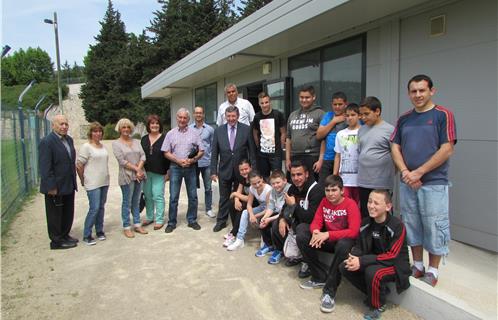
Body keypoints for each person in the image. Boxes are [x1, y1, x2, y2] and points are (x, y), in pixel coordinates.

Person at [391, 74, 457, 287]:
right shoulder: (404, 119)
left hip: (434, 182)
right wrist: (405, 172)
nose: (418, 95)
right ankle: (417, 264)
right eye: (413, 91)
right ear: (409, 93)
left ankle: (433, 270)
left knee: (434, 225)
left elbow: (447, 149)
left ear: (431, 91)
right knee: (412, 223)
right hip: (408, 181)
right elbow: (395, 147)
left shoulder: (443, 115)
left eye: (422, 90)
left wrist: (418, 172)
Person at [340, 190, 411, 320]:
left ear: (388, 207)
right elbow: (359, 247)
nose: (371, 206)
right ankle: (376, 292)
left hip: (395, 264)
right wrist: (354, 258)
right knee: (345, 266)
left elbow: (392, 255)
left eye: (376, 203)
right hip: (375, 260)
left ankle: (377, 306)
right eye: (369, 202)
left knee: (373, 272)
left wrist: (362, 261)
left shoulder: (397, 226)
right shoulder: (366, 222)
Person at [296, 175, 360, 313]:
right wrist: (316, 232)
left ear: (342, 190)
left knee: (343, 245)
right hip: (327, 240)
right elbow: (316, 221)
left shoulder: (351, 204)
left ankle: (329, 292)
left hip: (343, 242)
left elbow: (353, 231)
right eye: (327, 190)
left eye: (334, 190)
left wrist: (328, 234)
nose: (330, 194)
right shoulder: (324, 202)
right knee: (302, 231)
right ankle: (319, 276)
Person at [268, 161, 323, 268]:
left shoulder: (316, 190)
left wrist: (294, 205)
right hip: (297, 223)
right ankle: (295, 255)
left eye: (299, 174)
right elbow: (285, 207)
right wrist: (283, 219)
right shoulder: (293, 188)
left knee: (301, 229)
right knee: (277, 224)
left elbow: (311, 218)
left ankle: (308, 261)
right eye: (293, 175)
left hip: (311, 227)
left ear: (306, 174)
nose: (296, 178)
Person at [211, 106, 256, 232]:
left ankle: (237, 222)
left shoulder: (246, 130)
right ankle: (221, 221)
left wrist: (253, 170)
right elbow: (214, 152)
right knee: (224, 197)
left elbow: (252, 151)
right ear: (225, 116)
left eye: (233, 116)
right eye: (228, 116)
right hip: (224, 170)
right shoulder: (218, 131)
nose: (231, 119)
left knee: (239, 198)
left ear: (238, 116)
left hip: (241, 172)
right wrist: (213, 171)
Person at [39, 114, 78, 249]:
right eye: (61, 124)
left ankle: (65, 234)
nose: (64, 127)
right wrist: (51, 186)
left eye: (66, 124)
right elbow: (45, 166)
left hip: (68, 183)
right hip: (55, 186)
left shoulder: (69, 140)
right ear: (53, 125)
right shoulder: (47, 142)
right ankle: (56, 241)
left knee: (67, 211)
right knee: (55, 214)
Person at [162, 108, 204, 233]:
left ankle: (192, 220)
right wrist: (178, 160)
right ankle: (172, 222)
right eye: (180, 117)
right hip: (175, 167)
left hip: (190, 167)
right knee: (174, 196)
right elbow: (165, 152)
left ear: (188, 119)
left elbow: (201, 150)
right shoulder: (170, 133)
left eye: (185, 118)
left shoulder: (194, 133)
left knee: (193, 196)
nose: (182, 120)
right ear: (176, 118)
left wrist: (193, 160)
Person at [357, 97, 395, 218]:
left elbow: (397, 155)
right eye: (361, 114)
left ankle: (386, 237)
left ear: (377, 111)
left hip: (381, 183)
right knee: (366, 214)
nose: (363, 117)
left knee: (383, 215)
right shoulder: (361, 130)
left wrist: (390, 174)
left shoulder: (390, 130)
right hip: (363, 182)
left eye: (366, 114)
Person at [112, 118, 148, 238]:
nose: (126, 129)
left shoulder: (137, 141)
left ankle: (137, 224)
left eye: (128, 127)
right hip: (127, 176)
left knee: (136, 201)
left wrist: (139, 169)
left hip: (139, 176)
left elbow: (143, 156)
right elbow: (122, 160)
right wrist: (137, 169)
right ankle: (127, 226)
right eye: (123, 127)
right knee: (127, 202)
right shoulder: (116, 143)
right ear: (120, 129)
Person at [76, 122, 110, 245]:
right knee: (94, 208)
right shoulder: (86, 147)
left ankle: (99, 230)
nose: (98, 133)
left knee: (101, 207)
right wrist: (82, 179)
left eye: (100, 131)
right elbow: (79, 165)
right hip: (92, 182)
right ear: (91, 133)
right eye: (95, 131)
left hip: (104, 181)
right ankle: (87, 234)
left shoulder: (102, 146)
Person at [286, 85, 325, 182]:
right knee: (294, 185)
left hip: (312, 157)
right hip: (294, 157)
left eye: (307, 97)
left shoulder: (320, 113)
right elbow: (288, 138)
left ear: (313, 97)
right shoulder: (293, 115)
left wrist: (320, 160)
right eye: (301, 97)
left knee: (311, 186)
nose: (304, 100)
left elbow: (324, 139)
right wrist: (287, 159)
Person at [227, 171, 272, 251]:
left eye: (259, 182)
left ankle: (264, 238)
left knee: (263, 218)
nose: (257, 185)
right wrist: (251, 215)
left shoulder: (268, 189)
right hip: (262, 207)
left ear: (262, 179)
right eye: (254, 184)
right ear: (250, 183)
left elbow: (269, 209)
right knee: (245, 212)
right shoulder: (252, 188)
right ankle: (240, 239)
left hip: (271, 209)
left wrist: (255, 216)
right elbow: (249, 204)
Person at [141, 114, 170, 230]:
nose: (154, 125)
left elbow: (168, 156)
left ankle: (159, 219)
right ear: (148, 125)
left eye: (157, 123)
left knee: (158, 195)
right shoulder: (143, 139)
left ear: (160, 125)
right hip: (146, 172)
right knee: (148, 196)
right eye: (152, 123)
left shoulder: (165, 138)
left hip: (160, 172)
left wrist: (168, 172)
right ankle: (149, 217)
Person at [256, 169, 292, 257]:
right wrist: (265, 218)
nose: (275, 185)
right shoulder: (273, 191)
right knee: (262, 220)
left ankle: (279, 249)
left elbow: (285, 211)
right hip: (278, 213)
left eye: (278, 182)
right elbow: (271, 207)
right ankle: (269, 245)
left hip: (287, 215)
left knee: (276, 223)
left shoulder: (290, 189)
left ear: (285, 181)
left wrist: (269, 219)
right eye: (273, 183)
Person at [316, 92, 348, 186]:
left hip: (343, 159)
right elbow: (319, 135)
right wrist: (333, 121)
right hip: (327, 159)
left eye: (340, 104)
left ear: (346, 104)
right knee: (323, 188)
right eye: (335, 104)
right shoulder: (328, 116)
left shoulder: (350, 116)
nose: (337, 107)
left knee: (339, 188)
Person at [252, 92, 286, 178]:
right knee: (264, 177)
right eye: (262, 103)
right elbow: (255, 133)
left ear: (270, 102)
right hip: (262, 154)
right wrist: (259, 147)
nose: (264, 105)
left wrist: (280, 147)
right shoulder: (257, 117)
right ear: (259, 104)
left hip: (275, 154)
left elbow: (283, 132)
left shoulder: (278, 114)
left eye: (266, 102)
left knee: (277, 177)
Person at [333, 103, 362, 205]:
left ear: (359, 115)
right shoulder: (340, 134)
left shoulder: (363, 132)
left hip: (360, 178)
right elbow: (338, 155)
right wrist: (335, 175)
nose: (350, 118)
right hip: (345, 179)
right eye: (347, 115)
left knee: (359, 205)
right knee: (346, 204)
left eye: (353, 115)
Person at [190, 106, 215, 218]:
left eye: (200, 113)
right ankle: (193, 209)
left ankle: (208, 208)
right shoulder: (189, 129)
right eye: (196, 113)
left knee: (208, 188)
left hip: (206, 163)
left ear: (203, 114)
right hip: (193, 163)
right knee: (192, 188)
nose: (198, 115)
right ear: (194, 114)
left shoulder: (210, 129)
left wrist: (214, 163)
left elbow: (213, 147)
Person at [223, 159, 253, 247]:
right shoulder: (243, 179)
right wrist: (236, 200)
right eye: (242, 170)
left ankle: (234, 234)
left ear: (251, 168)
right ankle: (235, 229)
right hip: (248, 201)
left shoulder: (253, 179)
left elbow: (249, 198)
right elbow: (239, 191)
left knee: (242, 207)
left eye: (246, 169)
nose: (244, 171)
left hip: (256, 203)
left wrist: (235, 194)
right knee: (232, 203)